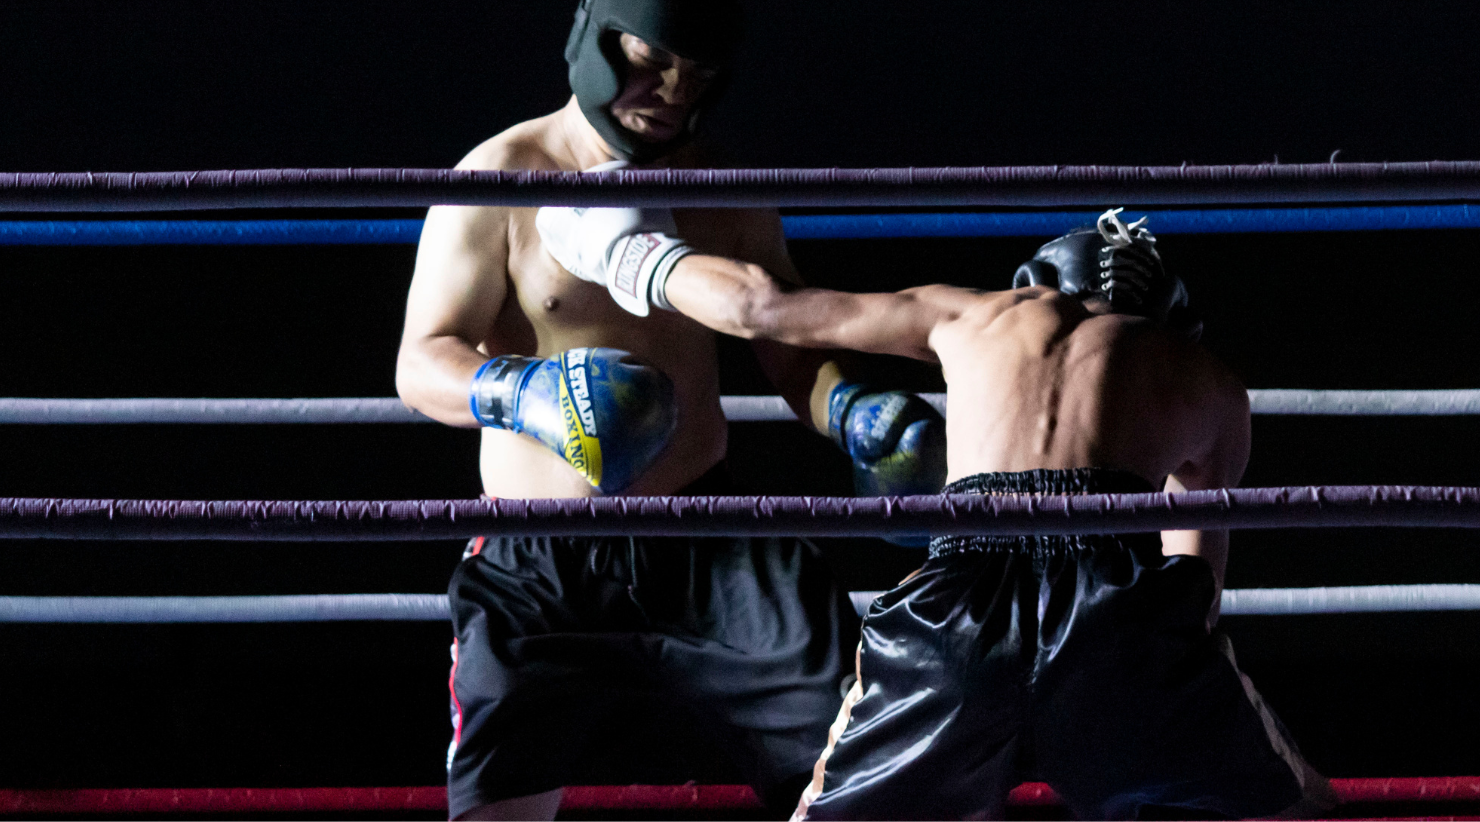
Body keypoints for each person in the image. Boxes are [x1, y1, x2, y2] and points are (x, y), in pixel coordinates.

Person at [537, 204, 1335, 819]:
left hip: (960, 595)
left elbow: (764, 308)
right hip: (1114, 612)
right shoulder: (1209, 380)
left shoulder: (978, 314)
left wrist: (620, 250)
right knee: (1292, 804)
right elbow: (1192, 584)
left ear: (1038, 282)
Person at [394, 0, 943, 821]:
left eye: (697, 72)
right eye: (652, 62)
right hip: (543, 552)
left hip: (707, 529)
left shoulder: (724, 182)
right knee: (499, 808)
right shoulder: (502, 177)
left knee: (866, 762)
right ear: (598, 42)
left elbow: (787, 344)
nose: (672, 94)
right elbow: (422, 363)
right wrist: (523, 394)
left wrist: (848, 408)